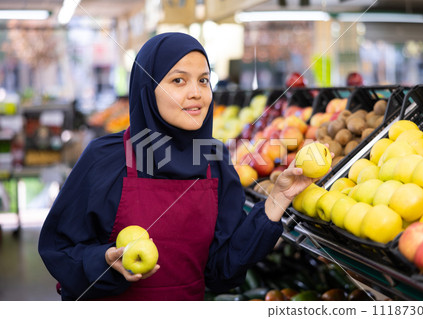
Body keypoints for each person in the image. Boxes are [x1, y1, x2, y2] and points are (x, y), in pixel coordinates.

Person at [38, 32, 314, 301]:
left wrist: (278, 198)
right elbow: (58, 249)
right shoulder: (105, 158)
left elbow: (222, 271)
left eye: (204, 80)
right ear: (148, 89)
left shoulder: (214, 160)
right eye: (178, 80)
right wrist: (103, 262)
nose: (196, 93)